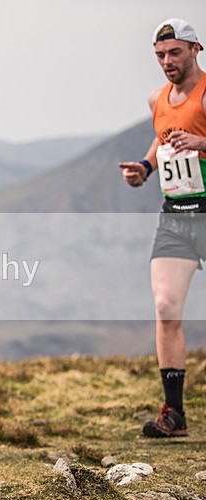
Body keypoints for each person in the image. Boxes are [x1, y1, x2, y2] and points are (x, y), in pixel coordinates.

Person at [119, 18, 206, 438]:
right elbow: (162, 138)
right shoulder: (157, 98)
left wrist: (203, 143)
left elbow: (192, 140)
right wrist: (145, 167)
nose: (167, 62)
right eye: (160, 56)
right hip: (178, 210)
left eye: (175, 52)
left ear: (195, 50)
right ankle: (174, 414)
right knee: (166, 307)